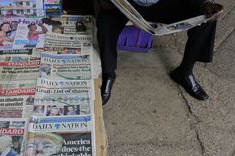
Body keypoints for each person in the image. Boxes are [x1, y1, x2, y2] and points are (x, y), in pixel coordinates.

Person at [94, 0, 224, 105]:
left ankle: (184, 72)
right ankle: (108, 73)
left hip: (163, 4)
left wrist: (204, 3)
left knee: (207, 17)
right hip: (128, 4)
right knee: (105, 20)